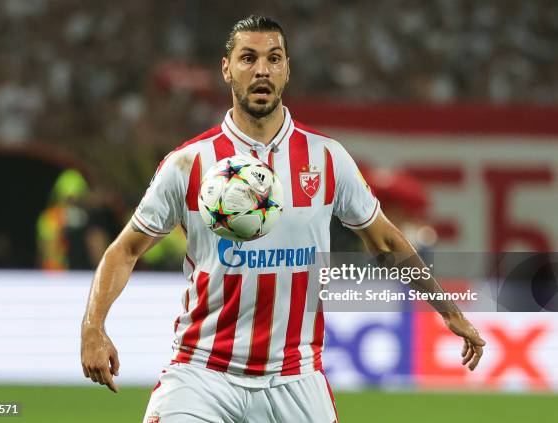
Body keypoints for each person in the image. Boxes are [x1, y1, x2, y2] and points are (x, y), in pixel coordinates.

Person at [81, 15, 485, 423]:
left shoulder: (327, 158)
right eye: (248, 58)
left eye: (274, 59)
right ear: (227, 69)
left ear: (287, 69)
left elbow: (386, 242)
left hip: (296, 380)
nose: (261, 70)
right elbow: (125, 249)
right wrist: (92, 326)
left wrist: (450, 312)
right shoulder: (188, 164)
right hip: (202, 373)